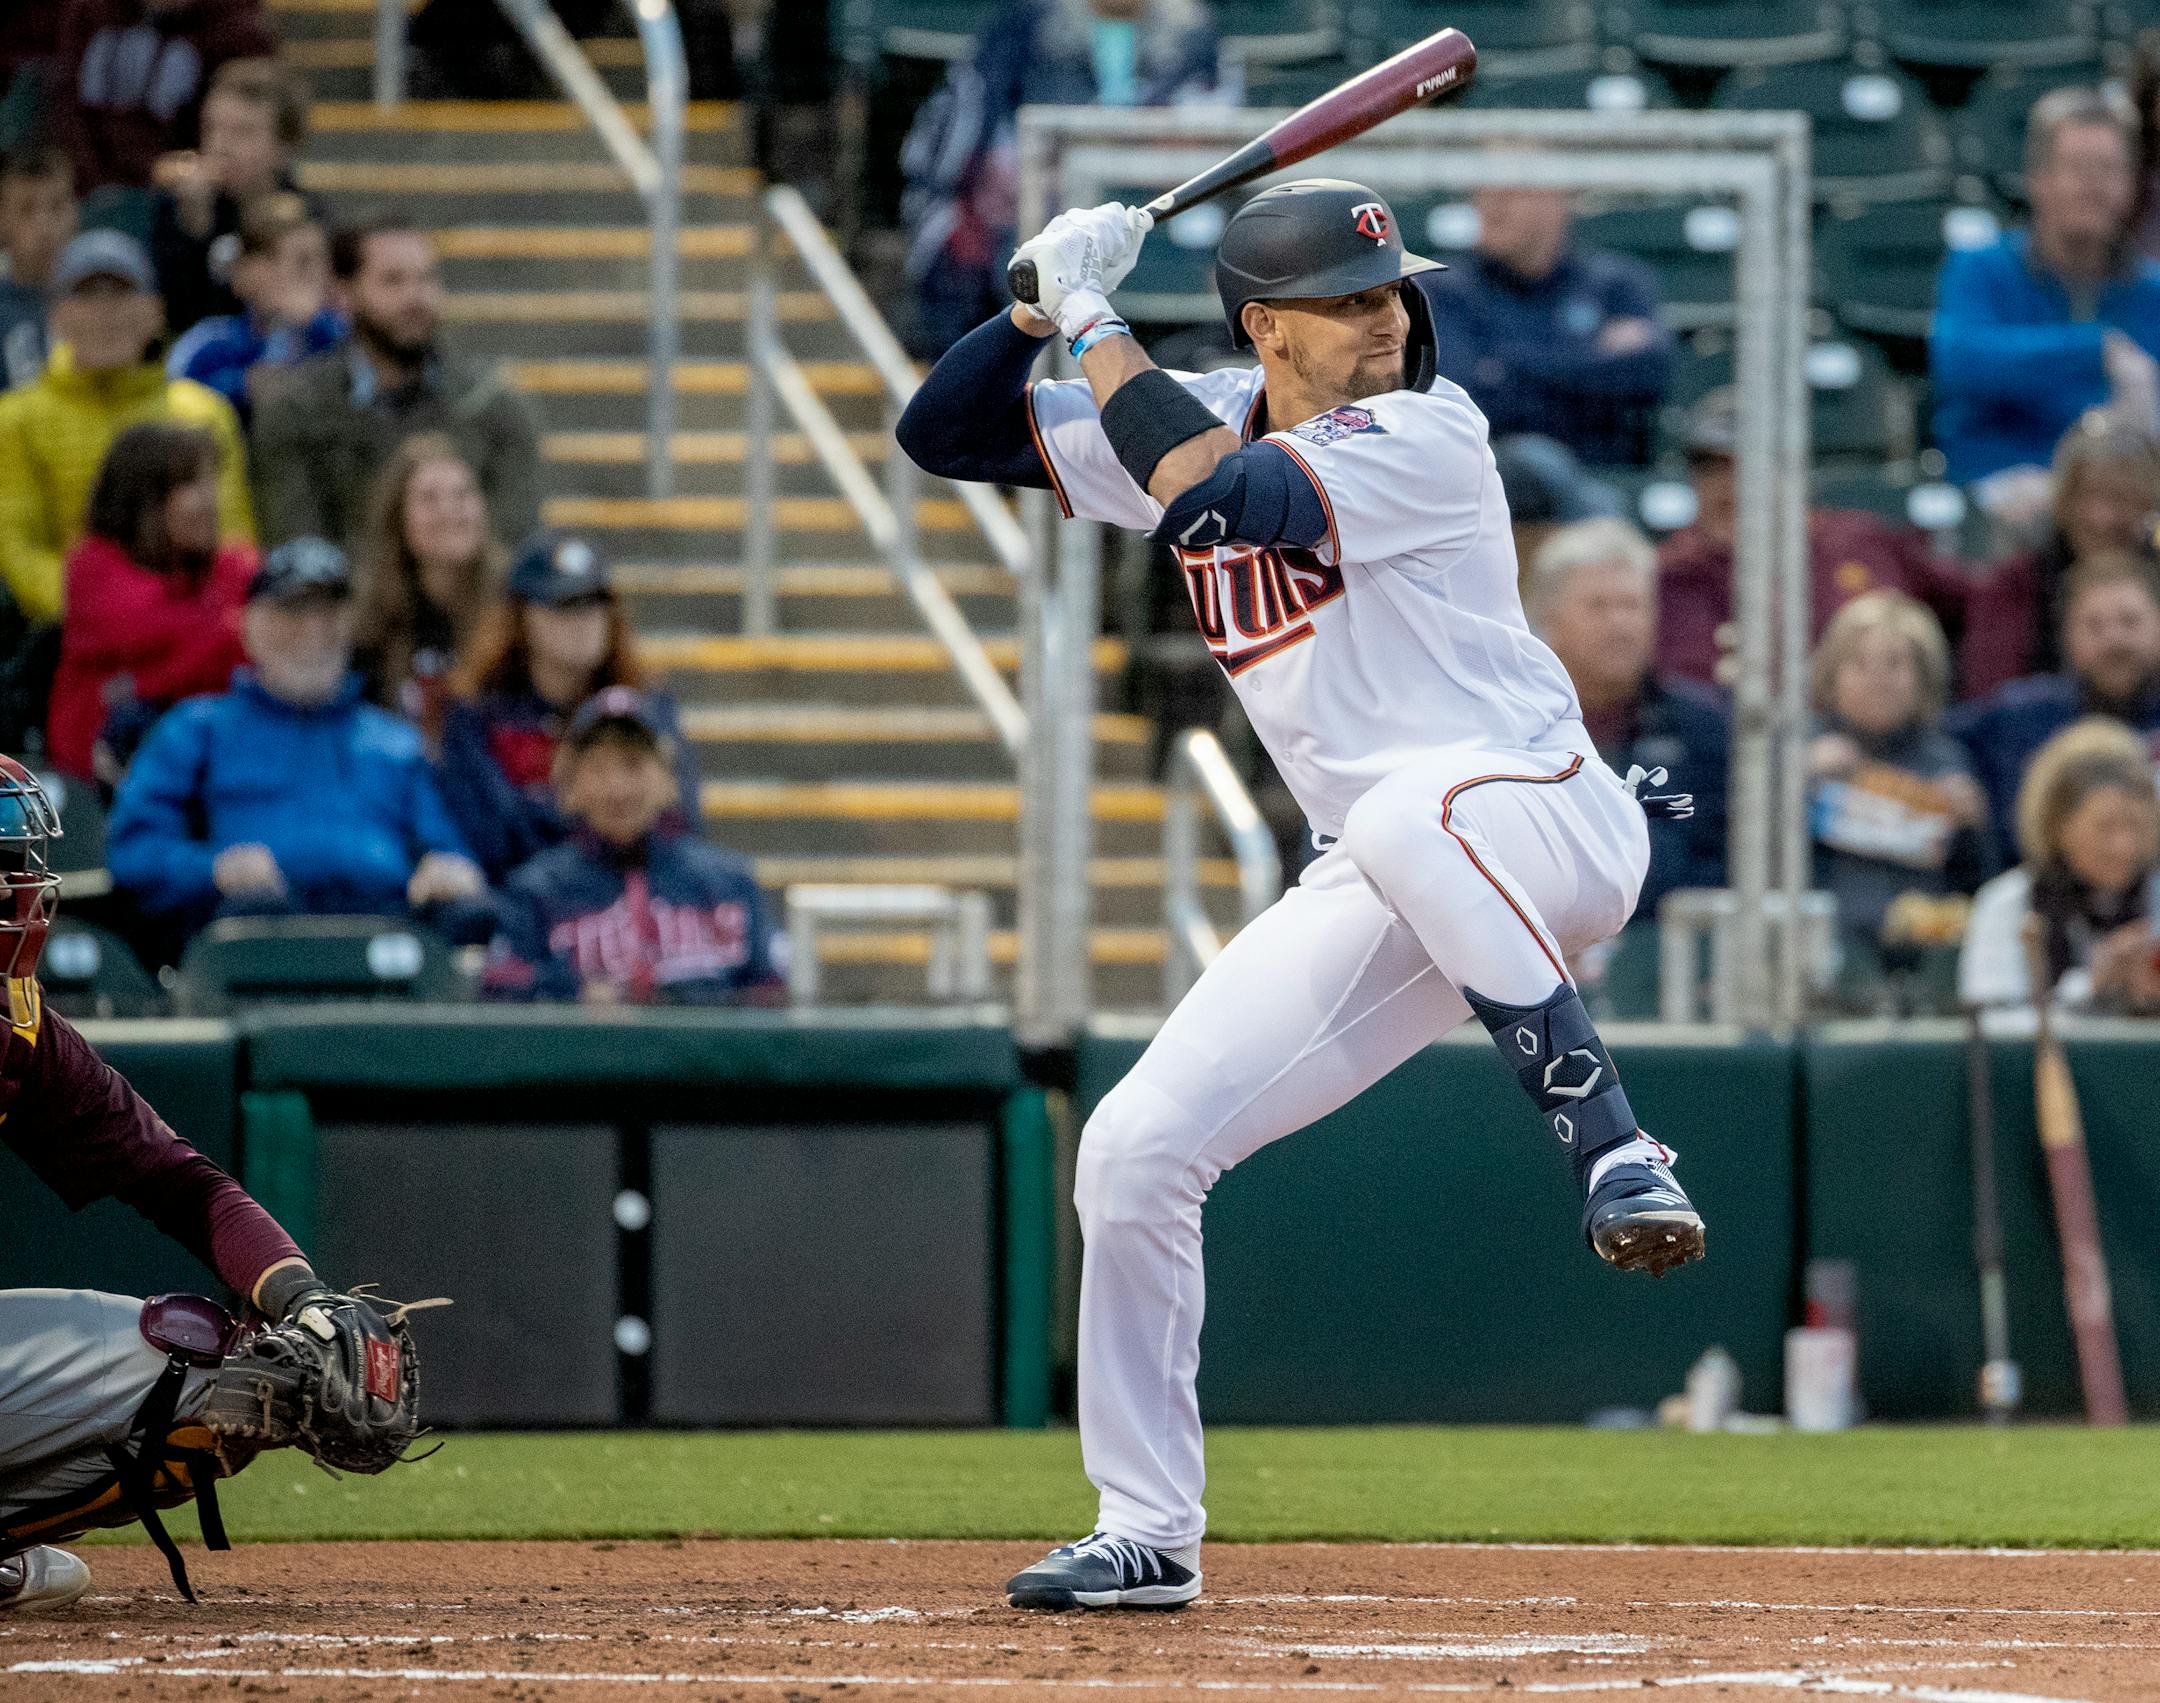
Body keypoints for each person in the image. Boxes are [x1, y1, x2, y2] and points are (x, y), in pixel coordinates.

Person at [899, 179, 1703, 1612]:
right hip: (1392, 872)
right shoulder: (1190, 403)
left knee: (1405, 807)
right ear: (1265, 325)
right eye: (1346, 302)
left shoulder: (1426, 430)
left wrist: (1090, 315)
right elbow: (944, 433)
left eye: (1390, 291)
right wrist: (1027, 308)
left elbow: (1219, 493)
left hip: (1546, 817)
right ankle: (1146, 1524)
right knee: (1134, 1150)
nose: (1387, 317)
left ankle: (1616, 1147)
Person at [0, 758, 427, 1611]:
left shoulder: (19, 1027)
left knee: (232, 1375)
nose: (23, 887)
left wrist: (305, 1298)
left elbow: (181, 1182)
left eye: (19, 864)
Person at [105, 536, 492, 947]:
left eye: (330, 611)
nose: (314, 629)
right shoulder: (198, 729)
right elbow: (132, 854)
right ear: (252, 624)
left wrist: (448, 870)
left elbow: (448, 849)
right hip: (251, 941)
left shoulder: (395, 742)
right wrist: (213, 868)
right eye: (293, 610)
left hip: (385, 937)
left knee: (474, 917)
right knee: (248, 914)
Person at [898, 0, 1226, 354]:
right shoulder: (1024, 27)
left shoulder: (1196, 36)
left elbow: (1207, 145)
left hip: (1161, 229)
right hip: (1034, 217)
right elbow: (971, 145)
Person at [0, 229, 252, 625]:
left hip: (190, 631)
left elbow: (233, 539)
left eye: (121, 293)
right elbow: (18, 550)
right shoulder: (14, 420)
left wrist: (182, 615)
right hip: (69, 637)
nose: (106, 312)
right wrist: (113, 613)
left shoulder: (203, 412)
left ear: (155, 311)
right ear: (57, 314)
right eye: (87, 295)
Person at [250, 217, 542, 551]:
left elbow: (512, 542)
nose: (416, 298)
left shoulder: (490, 403)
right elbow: (300, 553)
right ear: (345, 294)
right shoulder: (297, 410)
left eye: (427, 279)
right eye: (393, 281)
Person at [1657, 387, 1968, 691]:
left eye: (1747, 466)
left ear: (1790, 470)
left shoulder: (1861, 542)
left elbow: (1971, 603)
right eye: (1709, 467)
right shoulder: (1669, 574)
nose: (1728, 485)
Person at [482, 686, 779, 1004]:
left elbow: (772, 992)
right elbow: (499, 985)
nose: (617, 788)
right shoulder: (536, 892)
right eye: (598, 768)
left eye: (633, 764)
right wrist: (573, 993)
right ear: (573, 784)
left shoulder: (730, 884)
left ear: (669, 779)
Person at [1930, 87, 2160, 490]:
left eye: (2109, 169)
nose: (2095, 187)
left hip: (2118, 508)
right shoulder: (1982, 268)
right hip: (1999, 488)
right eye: (2079, 168)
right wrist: (2097, 350)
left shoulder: (2151, 290)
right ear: (2038, 179)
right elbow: (1961, 361)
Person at [436, 532, 698, 883]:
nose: (585, 620)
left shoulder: (647, 707)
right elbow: (492, 837)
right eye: (564, 605)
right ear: (521, 617)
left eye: (596, 603)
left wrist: (548, 814)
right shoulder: (478, 716)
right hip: (520, 902)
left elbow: (678, 819)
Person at [1526, 517, 1728, 918]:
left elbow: (1722, 865)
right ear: (1548, 619)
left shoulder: (1704, 727)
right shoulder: (1515, 729)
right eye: (1598, 606)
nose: (1619, 624)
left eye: (1631, 605)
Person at [46, 420, 252, 781]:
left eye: (209, 481)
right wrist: (232, 630)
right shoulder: (93, 568)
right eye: (190, 484)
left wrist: (142, 683)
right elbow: (148, 629)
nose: (210, 499)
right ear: (144, 497)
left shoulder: (231, 569)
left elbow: (257, 639)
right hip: (100, 791)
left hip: (214, 772)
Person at [1422, 186, 1674, 469]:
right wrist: (1588, 357)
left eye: (1508, 193)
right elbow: (1459, 393)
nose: (1491, 207)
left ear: (1557, 200)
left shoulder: (1617, 284)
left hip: (1600, 475)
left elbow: (1647, 377)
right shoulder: (1442, 286)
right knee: (1532, 460)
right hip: (1483, 471)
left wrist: (1502, 366)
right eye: (1482, 192)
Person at [1805, 592, 1991, 962]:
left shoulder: (1948, 763)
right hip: (1823, 952)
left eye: (1895, 664)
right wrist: (1794, 786)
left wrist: (1972, 827)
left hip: (1926, 958)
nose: (1878, 679)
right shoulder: (1801, 754)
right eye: (1860, 664)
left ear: (1924, 678)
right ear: (1830, 677)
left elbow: (1979, 883)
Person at [1951, 554, 2160, 848]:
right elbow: (1926, 735)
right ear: (2068, 636)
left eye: (2130, 622)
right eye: (2094, 626)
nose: (2114, 640)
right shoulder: (2018, 715)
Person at [1959, 717, 2160, 1011]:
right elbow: (1994, 1030)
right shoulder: (2008, 903)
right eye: (2106, 827)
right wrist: (2092, 985)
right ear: (2058, 825)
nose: (2124, 846)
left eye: (2137, 827)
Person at [1960, 411, 2160, 698]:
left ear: (2148, 502)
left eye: (2119, 498)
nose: (2100, 518)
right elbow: (1993, 704)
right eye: (2086, 495)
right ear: (2061, 501)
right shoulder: (2016, 583)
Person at [148, 56, 318, 337]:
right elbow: (174, 319)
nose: (220, 146)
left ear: (285, 146)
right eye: (210, 129)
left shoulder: (306, 219)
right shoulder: (176, 207)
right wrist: (196, 232)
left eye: (243, 132)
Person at [352, 433, 500, 733]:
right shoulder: (365, 624)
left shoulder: (510, 608)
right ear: (397, 518)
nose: (449, 511)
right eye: (429, 498)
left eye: (462, 494)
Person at [50, 0, 277, 192]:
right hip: (96, 190)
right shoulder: (92, 13)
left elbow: (256, 122)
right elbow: (69, 116)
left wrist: (191, 171)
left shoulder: (235, 25)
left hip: (197, 193)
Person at [165, 190, 342, 424]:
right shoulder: (210, 342)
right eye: (302, 261)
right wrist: (241, 385)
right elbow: (168, 401)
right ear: (248, 270)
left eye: (321, 259)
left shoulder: (342, 336)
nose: (314, 274)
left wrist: (317, 326)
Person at [0, 142, 76, 389]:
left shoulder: (105, 301)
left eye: (57, 206)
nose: (45, 227)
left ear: (75, 212)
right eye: (26, 210)